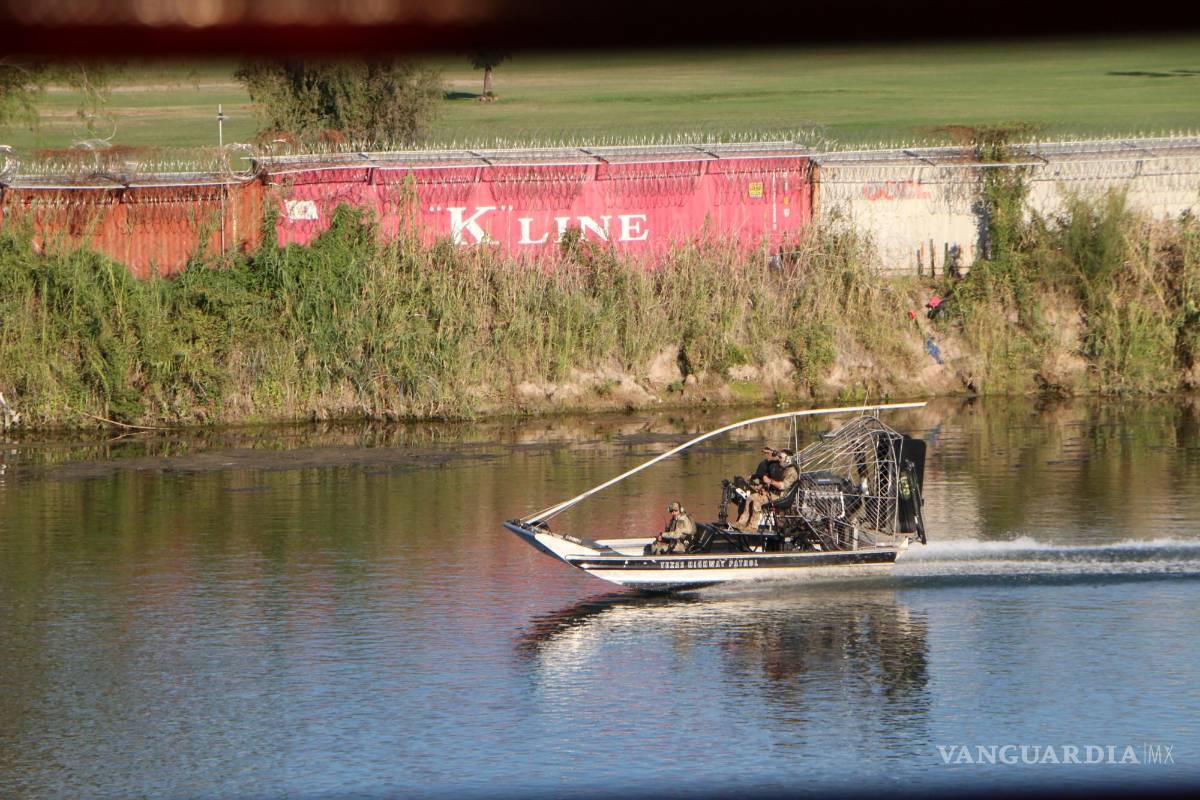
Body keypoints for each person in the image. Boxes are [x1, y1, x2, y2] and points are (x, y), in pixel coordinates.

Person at [735, 450, 800, 530]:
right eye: (778, 457)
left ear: (788, 459)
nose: (778, 459)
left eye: (780, 457)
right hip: (771, 493)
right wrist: (763, 486)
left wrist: (769, 481)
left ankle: (752, 527)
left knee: (757, 502)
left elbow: (782, 486)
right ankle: (741, 523)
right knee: (750, 498)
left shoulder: (792, 472)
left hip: (780, 496)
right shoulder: (780, 467)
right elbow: (773, 480)